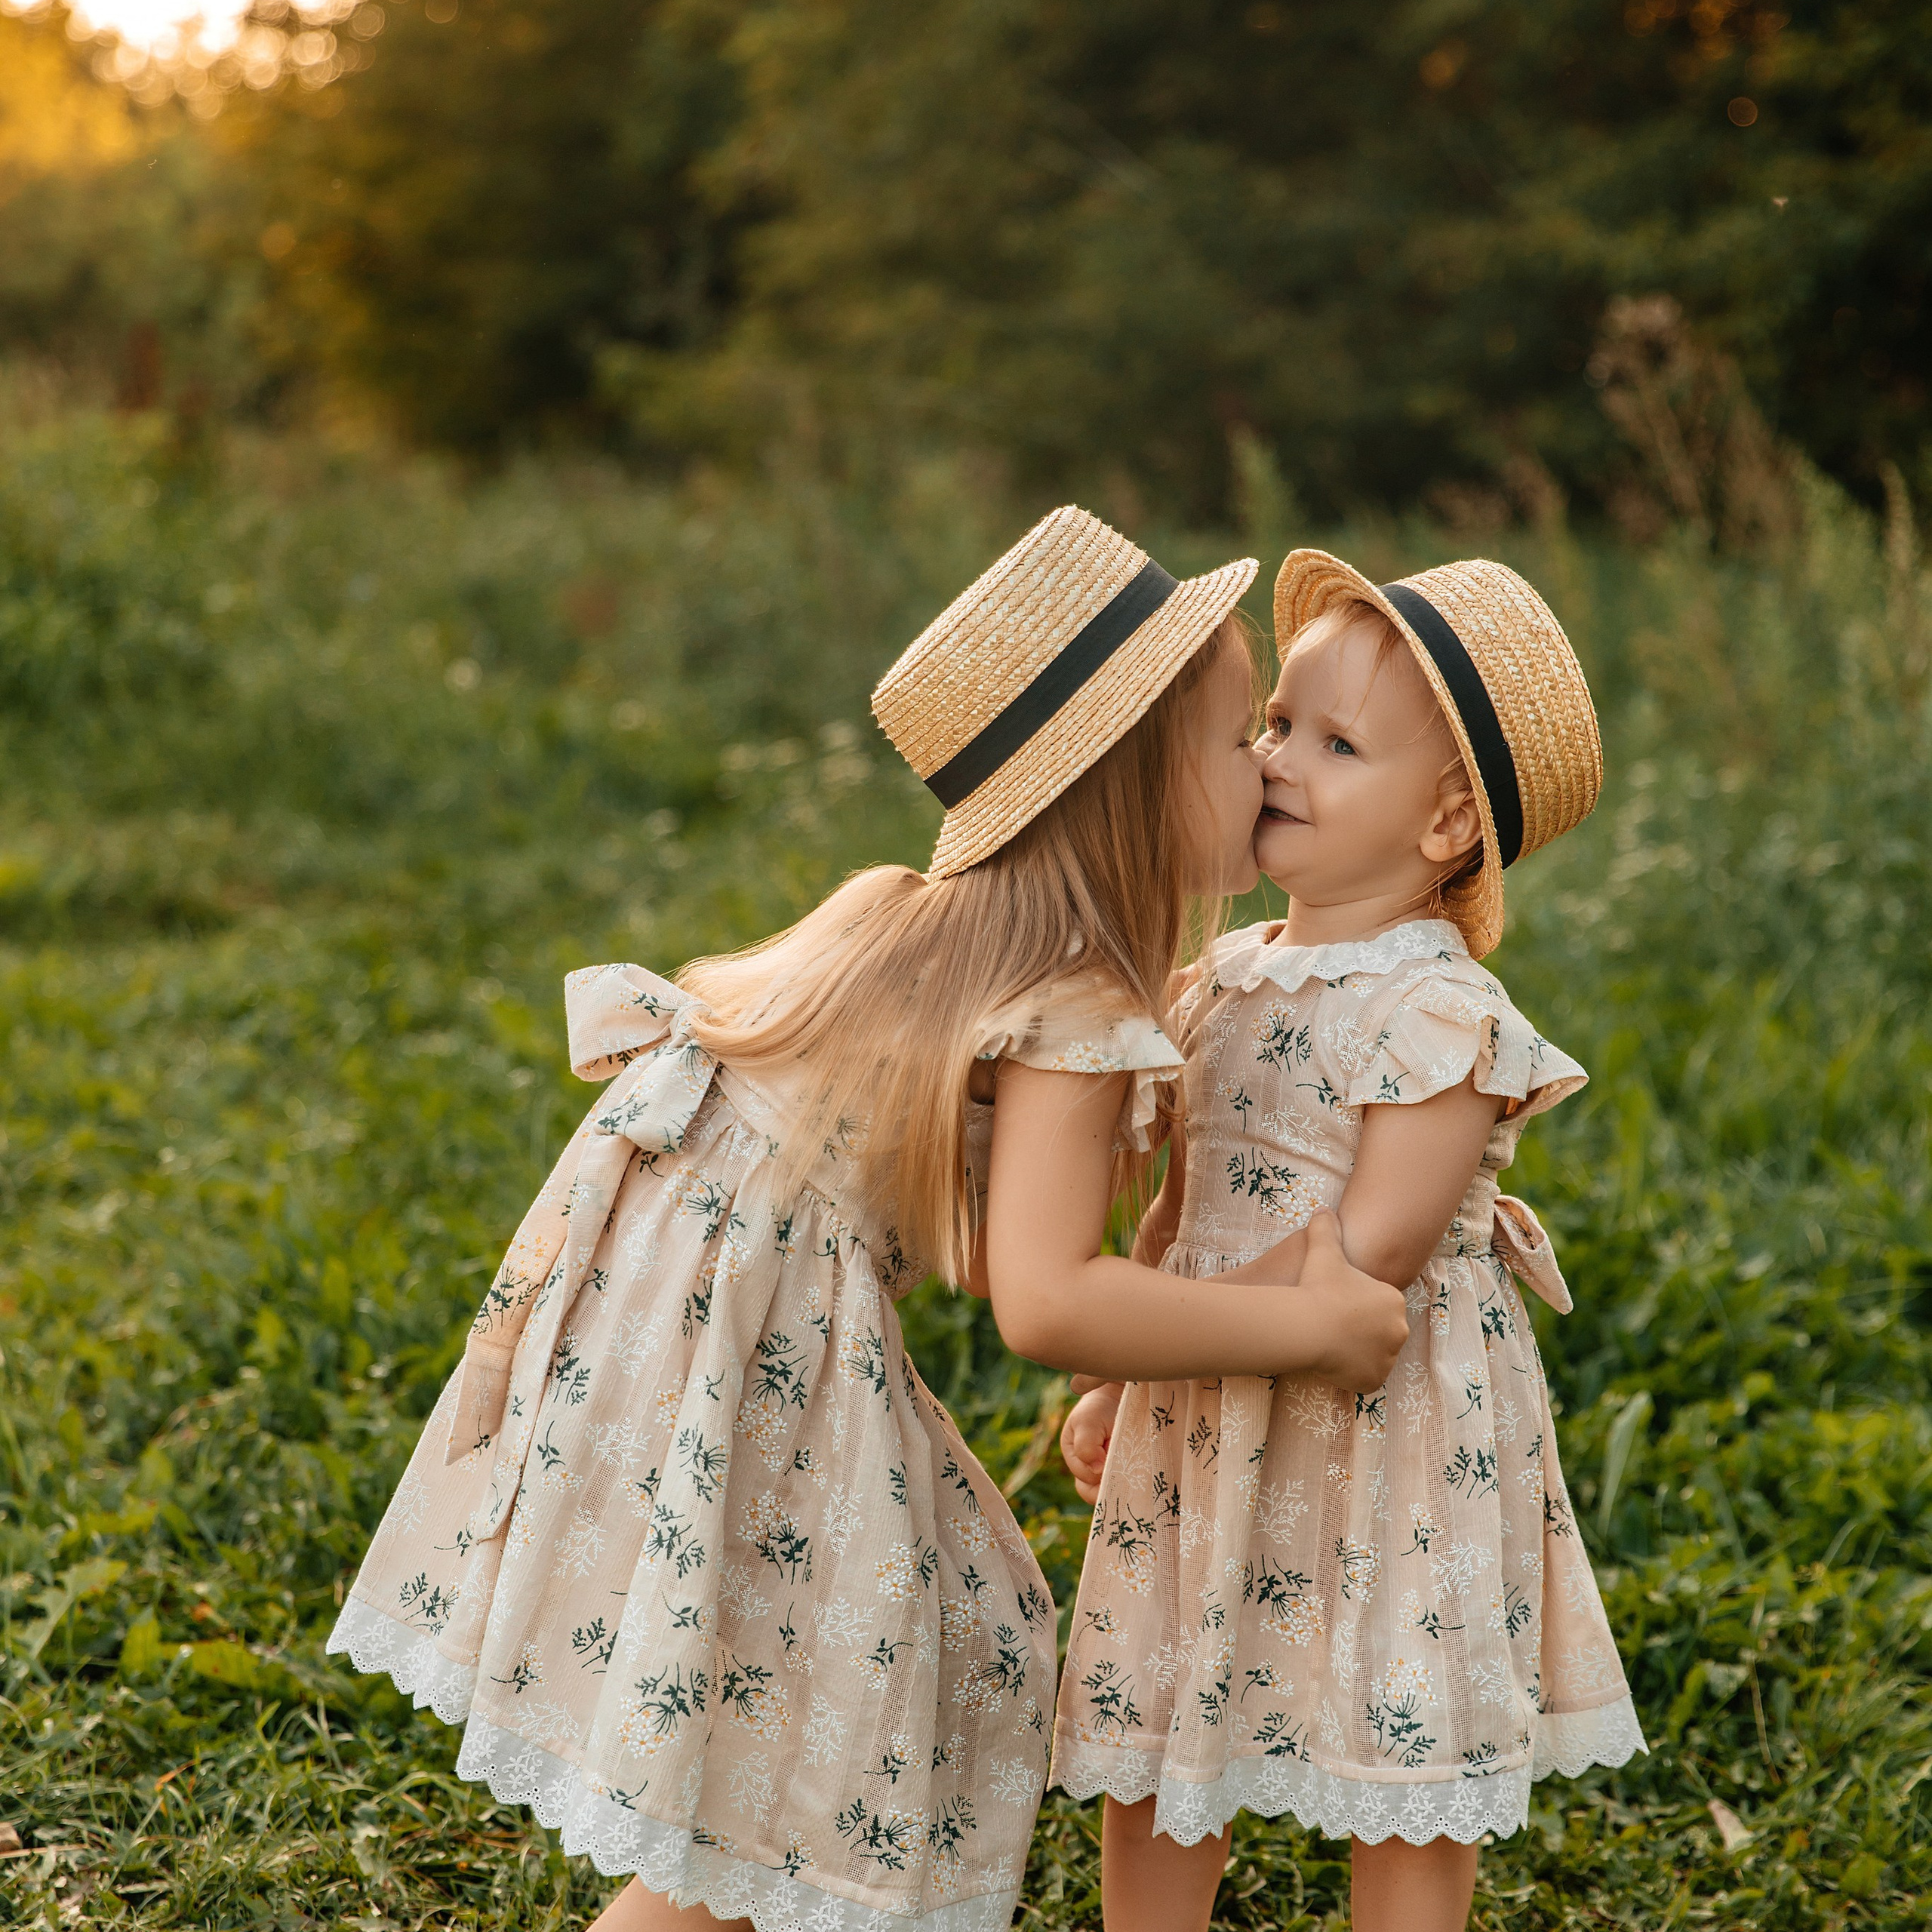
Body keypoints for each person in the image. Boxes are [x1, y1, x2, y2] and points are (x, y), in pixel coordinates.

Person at [326, 508, 1411, 1932]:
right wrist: (1301, 1326)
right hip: (748, 1324)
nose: (1268, 763)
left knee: (805, 1685)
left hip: (659, 1302)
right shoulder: (1075, 1001)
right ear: (1133, 790)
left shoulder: (925, 915)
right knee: (907, 1657)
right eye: (1235, 741)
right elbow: (1041, 1298)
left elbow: (946, 1219)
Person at [1053, 552, 1647, 1932]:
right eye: (1273, 724)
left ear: (1446, 823)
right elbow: (1178, 1209)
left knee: (1400, 1721)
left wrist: (1161, 1358)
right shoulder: (1224, 978)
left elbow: (1367, 1250)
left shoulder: (1442, 1014)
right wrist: (1123, 1355)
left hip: (1387, 1426)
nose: (1275, 758)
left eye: (1334, 741)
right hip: (1214, 1406)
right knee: (1161, 1715)